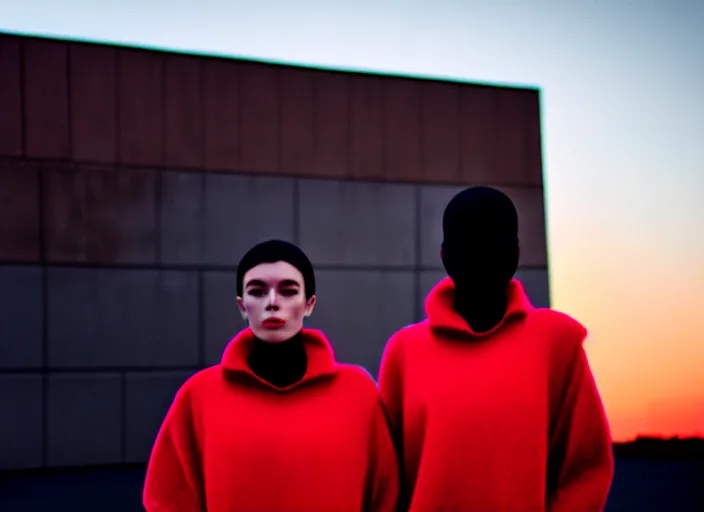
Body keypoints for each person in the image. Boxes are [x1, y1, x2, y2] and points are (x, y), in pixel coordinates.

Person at [378, 186, 614, 512]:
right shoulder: (405, 351)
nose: (480, 249)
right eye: (467, 236)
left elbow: (584, 470)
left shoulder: (556, 343)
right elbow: (385, 481)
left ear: (515, 253)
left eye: (493, 236)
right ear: (445, 255)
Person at [144, 239, 399, 512]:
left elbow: (385, 495)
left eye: (288, 291)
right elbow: (168, 499)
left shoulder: (357, 392)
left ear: (309, 304)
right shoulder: (199, 395)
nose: (272, 303)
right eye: (257, 291)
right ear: (242, 306)